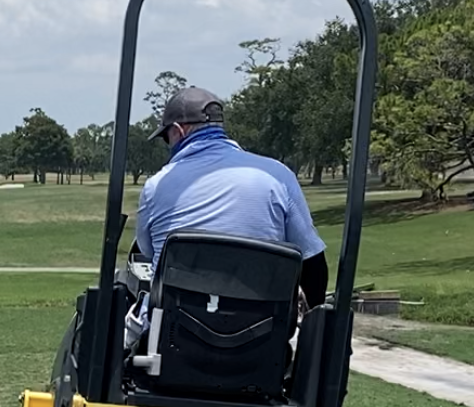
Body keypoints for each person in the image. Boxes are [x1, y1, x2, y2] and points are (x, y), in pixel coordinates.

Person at [133, 83, 328, 307]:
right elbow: (313, 263)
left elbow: (146, 252)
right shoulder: (277, 175)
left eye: (166, 137)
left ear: (178, 130)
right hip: (264, 336)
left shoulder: (156, 186)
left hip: (173, 336)